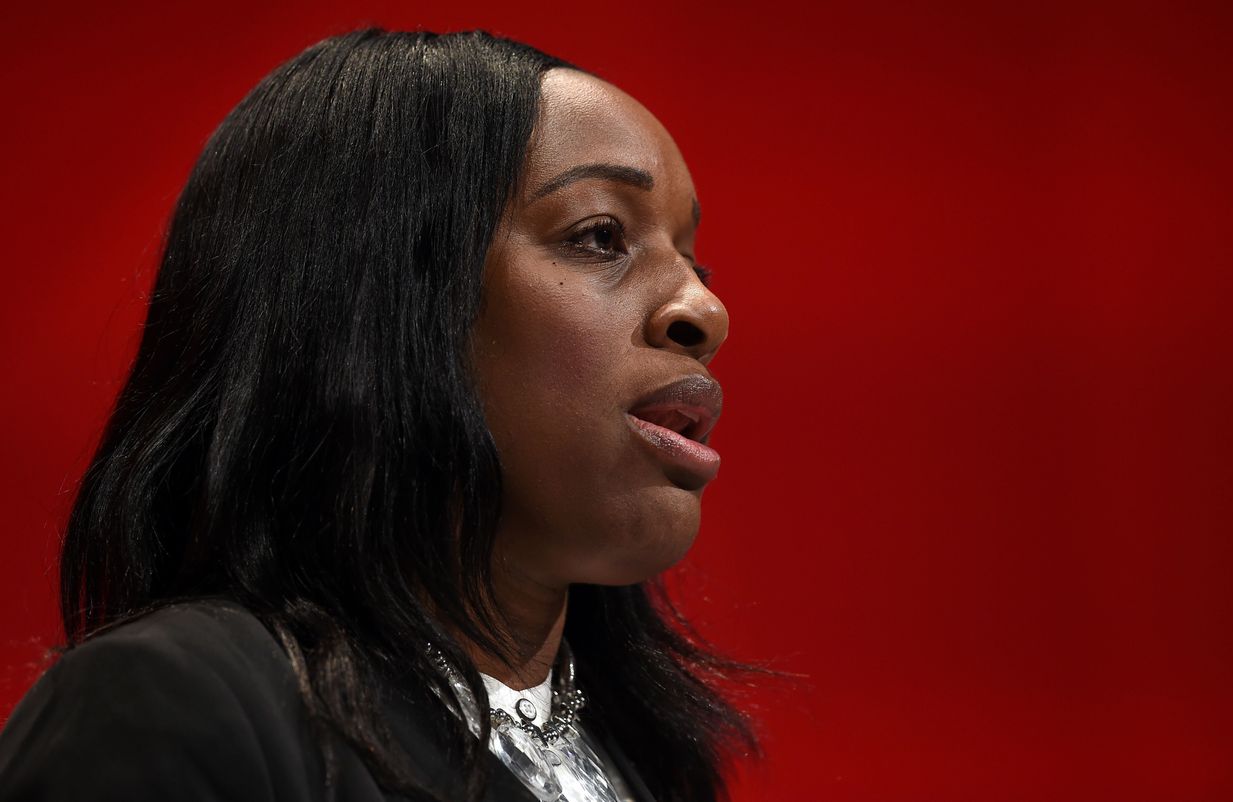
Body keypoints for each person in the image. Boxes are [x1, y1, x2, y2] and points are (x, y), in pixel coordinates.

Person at [0, 27, 758, 802]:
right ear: (374, 300)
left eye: (693, 260)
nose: (705, 309)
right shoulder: (172, 708)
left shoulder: (650, 767)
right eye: (601, 234)